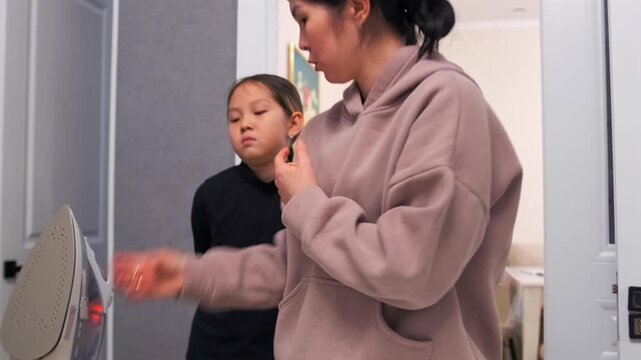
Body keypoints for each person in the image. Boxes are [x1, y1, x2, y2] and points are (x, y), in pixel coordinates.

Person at [115, 1, 523, 359]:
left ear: (357, 8)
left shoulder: (446, 102)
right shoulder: (320, 133)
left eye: (303, 18)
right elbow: (294, 266)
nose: (302, 41)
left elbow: (414, 269)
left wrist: (307, 203)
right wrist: (189, 275)